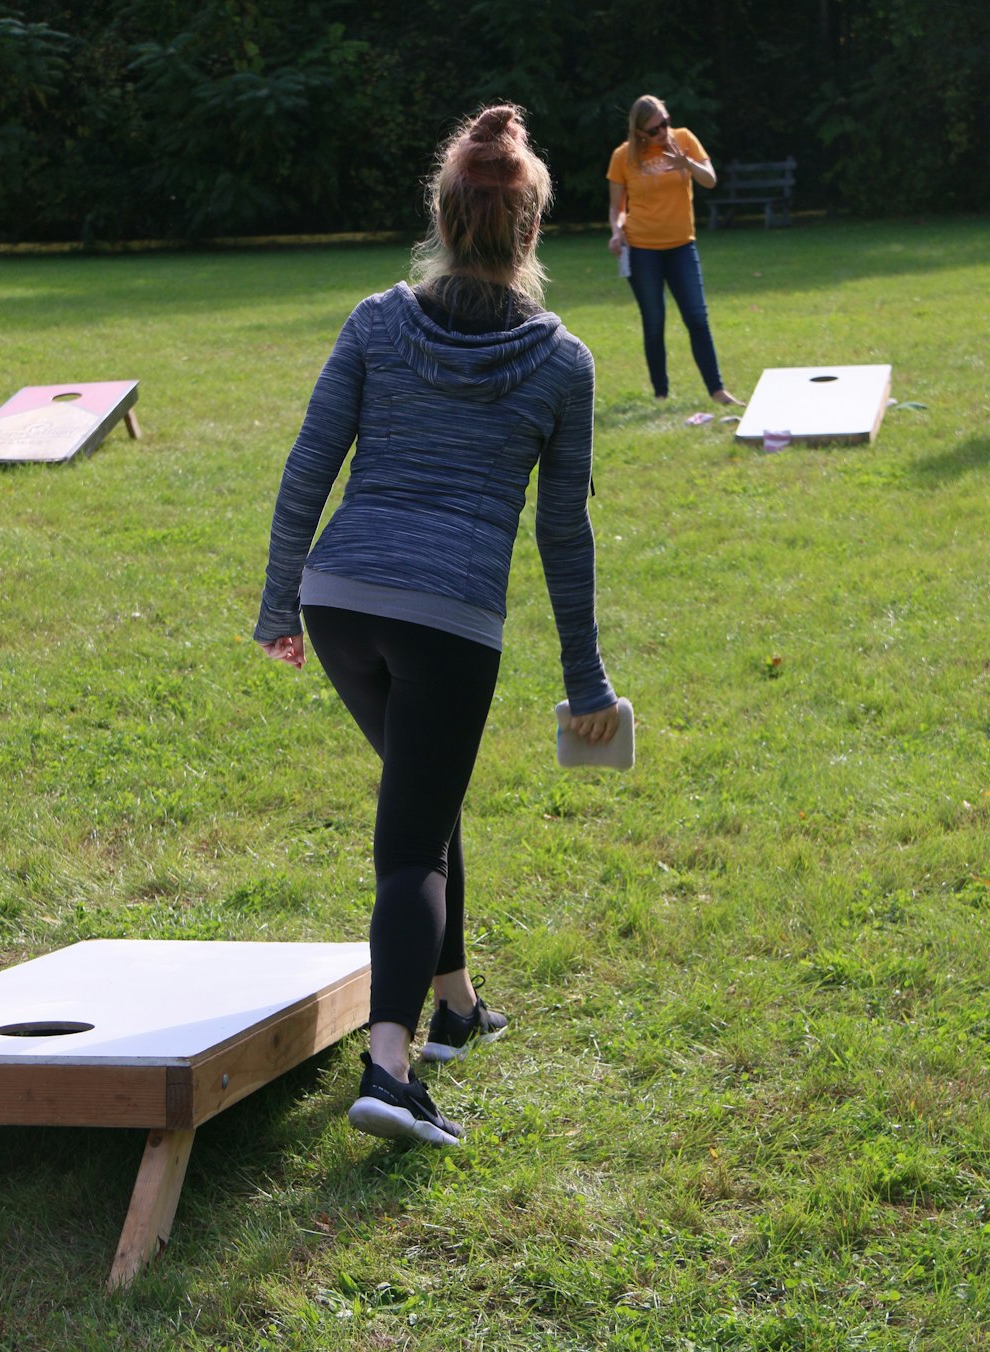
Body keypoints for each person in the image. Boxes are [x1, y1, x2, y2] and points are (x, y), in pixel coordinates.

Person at [254, 104, 619, 1148]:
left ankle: (455, 1005)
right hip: (446, 623)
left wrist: (282, 601)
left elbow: (306, 471)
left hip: (339, 606)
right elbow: (565, 537)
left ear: (443, 216)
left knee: (427, 791)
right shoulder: (563, 364)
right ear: (532, 230)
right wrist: (587, 681)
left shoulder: (373, 319)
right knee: (411, 842)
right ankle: (390, 1070)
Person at [607, 94, 742, 405]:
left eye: (664, 123)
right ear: (639, 131)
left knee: (697, 318)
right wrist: (616, 232)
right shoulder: (623, 156)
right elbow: (617, 208)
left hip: (682, 246)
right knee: (654, 321)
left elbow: (710, 180)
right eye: (653, 130)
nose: (661, 133)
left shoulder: (684, 139)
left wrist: (687, 163)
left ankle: (718, 391)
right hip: (642, 250)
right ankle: (661, 394)